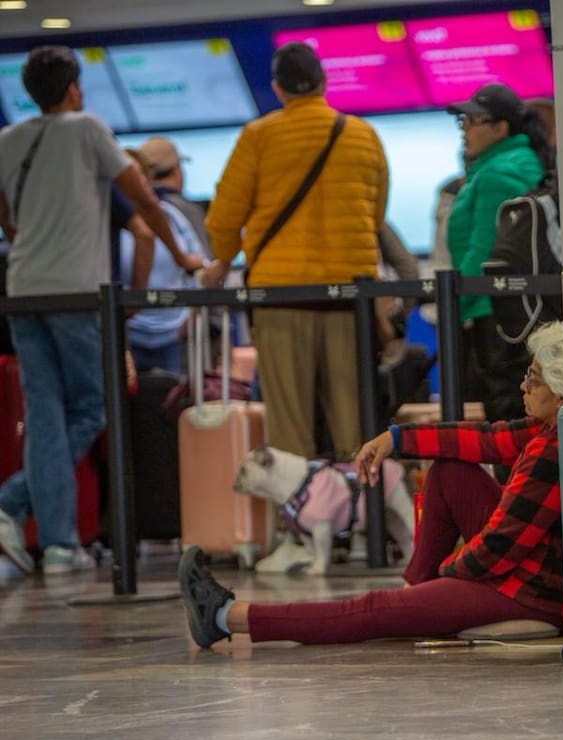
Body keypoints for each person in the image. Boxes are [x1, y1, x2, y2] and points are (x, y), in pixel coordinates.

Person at [177, 321, 563, 647]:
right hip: (533, 575)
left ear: (560, 389)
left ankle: (227, 617)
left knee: (371, 609)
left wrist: (450, 572)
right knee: (451, 469)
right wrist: (396, 439)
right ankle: (415, 593)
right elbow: (484, 439)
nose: (523, 386)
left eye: (533, 379)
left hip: (528, 592)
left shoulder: (549, 451)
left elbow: (498, 547)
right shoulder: (553, 429)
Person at [0, 46, 204, 578]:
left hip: (23, 289)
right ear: (74, 89)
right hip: (76, 293)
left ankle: (62, 544)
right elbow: (143, 203)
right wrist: (181, 255)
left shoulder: (9, 139)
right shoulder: (88, 128)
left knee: (44, 411)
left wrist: (24, 241)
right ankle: (11, 501)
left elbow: (5, 213)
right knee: (95, 405)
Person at [202, 42, 389, 461]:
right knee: (354, 425)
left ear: (278, 89)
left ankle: (300, 526)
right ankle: (362, 522)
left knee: (290, 431)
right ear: (324, 83)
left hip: (280, 296)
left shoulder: (259, 136)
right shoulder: (363, 135)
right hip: (348, 297)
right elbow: (375, 216)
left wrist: (223, 256)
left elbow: (224, 217)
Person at [446, 82, 554, 422]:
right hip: (520, 309)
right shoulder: (521, 163)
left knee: (505, 412)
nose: (464, 128)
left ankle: (515, 476)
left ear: (500, 127)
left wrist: (453, 302)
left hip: (493, 310)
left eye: (473, 120)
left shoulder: (496, 174)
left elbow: (483, 252)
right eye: (462, 120)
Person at [119, 146, 203, 373]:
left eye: (138, 176)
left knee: (173, 401)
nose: (133, 184)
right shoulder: (107, 223)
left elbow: (198, 265)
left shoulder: (173, 217)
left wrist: (191, 315)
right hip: (128, 335)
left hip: (173, 333)